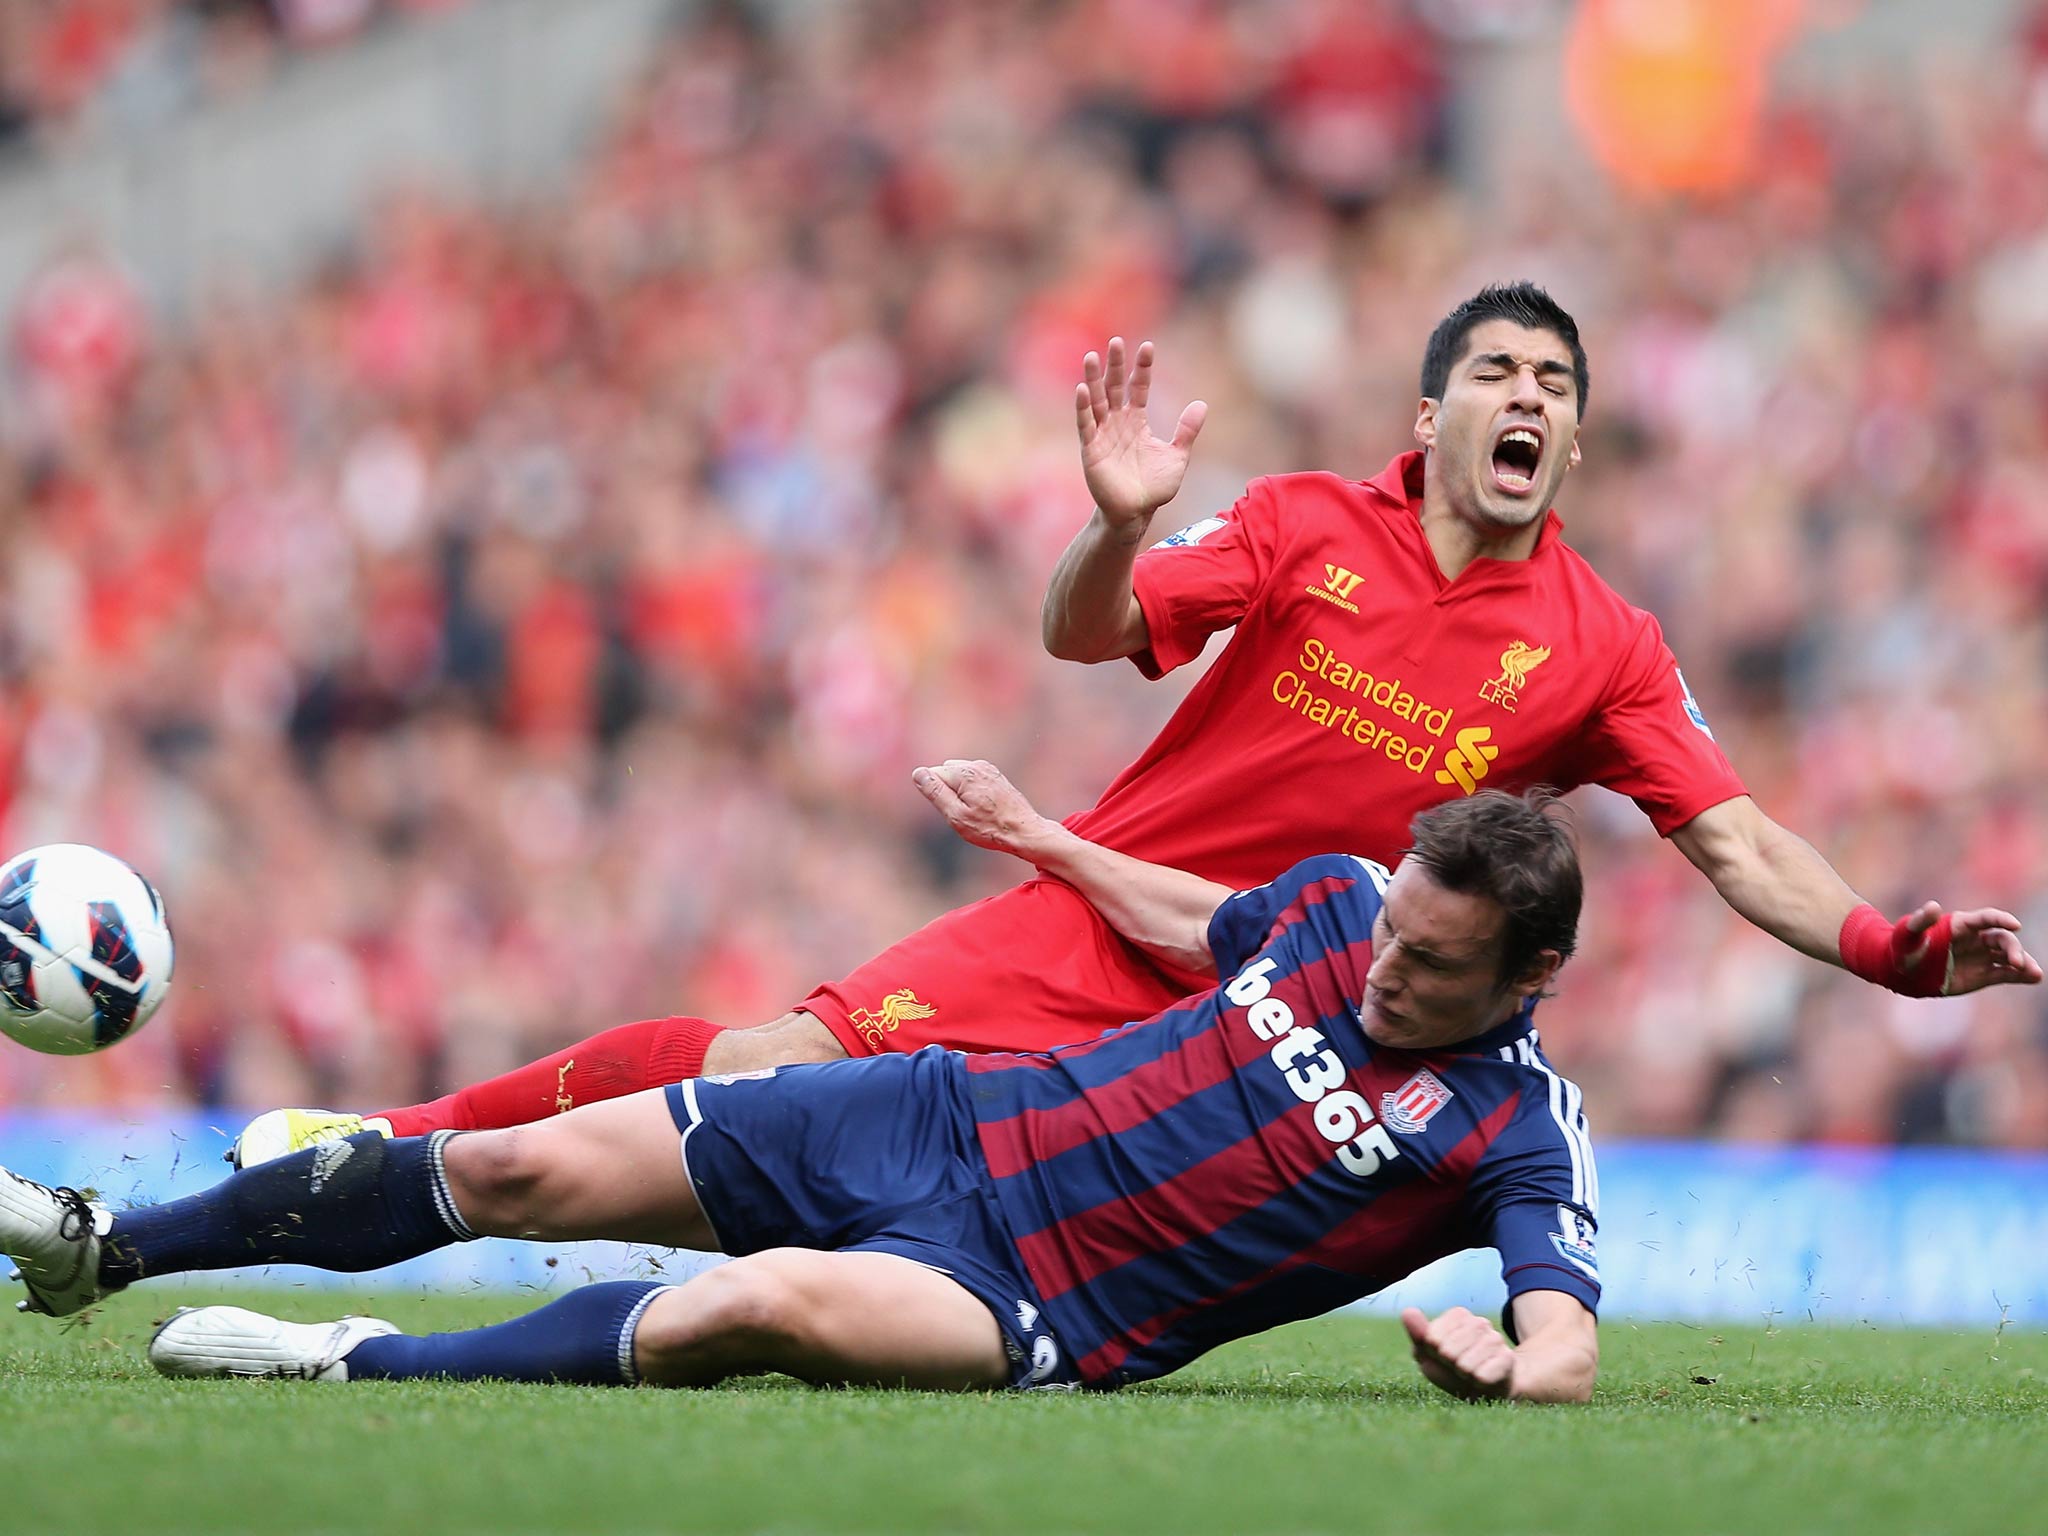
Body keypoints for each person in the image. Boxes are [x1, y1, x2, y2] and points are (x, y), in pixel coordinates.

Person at [230, 281, 2039, 1167]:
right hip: (1098, 923)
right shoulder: (1299, 525)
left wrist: (1887, 946)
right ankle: (390, 1148)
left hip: (1286, 1024)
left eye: (1557, 387)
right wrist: (1108, 516)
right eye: (1498, 369)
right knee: (771, 1079)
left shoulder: (1601, 645)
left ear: (1573, 445)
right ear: (1433, 410)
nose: (1529, 397)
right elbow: (1083, 632)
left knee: (921, 1242)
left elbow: (1734, 836)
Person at [2, 772, 1600, 1403]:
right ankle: (106, 1244)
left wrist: (1507, 1368)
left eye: (1433, 965)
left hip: (1033, 1299)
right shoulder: (1334, 904)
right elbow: (1204, 922)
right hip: (944, 1115)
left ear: (1523, 981)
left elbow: (1571, 1344)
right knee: (515, 1168)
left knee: (741, 1308)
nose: (1386, 969)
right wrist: (1047, 843)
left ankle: (355, 1364)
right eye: (1393, 927)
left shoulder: (1521, 1133)